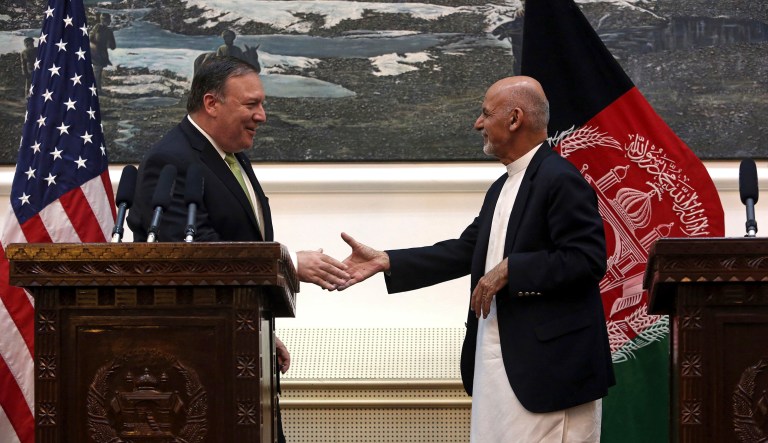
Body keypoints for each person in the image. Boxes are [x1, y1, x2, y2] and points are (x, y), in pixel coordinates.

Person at [339, 76, 615, 442]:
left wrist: (513, 268)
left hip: (549, 372)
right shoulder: (502, 185)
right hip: (501, 366)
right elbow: (467, 250)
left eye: (485, 114)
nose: (478, 124)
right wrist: (387, 260)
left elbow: (587, 259)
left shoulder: (560, 178)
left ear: (515, 119)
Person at [127, 56, 350, 443]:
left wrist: (257, 325)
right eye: (251, 105)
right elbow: (187, 257)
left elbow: (233, 245)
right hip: (197, 363)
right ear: (212, 103)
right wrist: (288, 264)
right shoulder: (173, 159)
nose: (262, 116)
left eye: (261, 104)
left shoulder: (230, 155)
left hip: (236, 344)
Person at [89, 12, 116, 95]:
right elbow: (90, 38)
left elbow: (113, 46)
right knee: (97, 72)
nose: (109, 21)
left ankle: (98, 90)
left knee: (98, 72)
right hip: (96, 54)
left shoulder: (107, 30)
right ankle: (97, 91)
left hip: (100, 54)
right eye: (107, 20)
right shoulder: (98, 28)